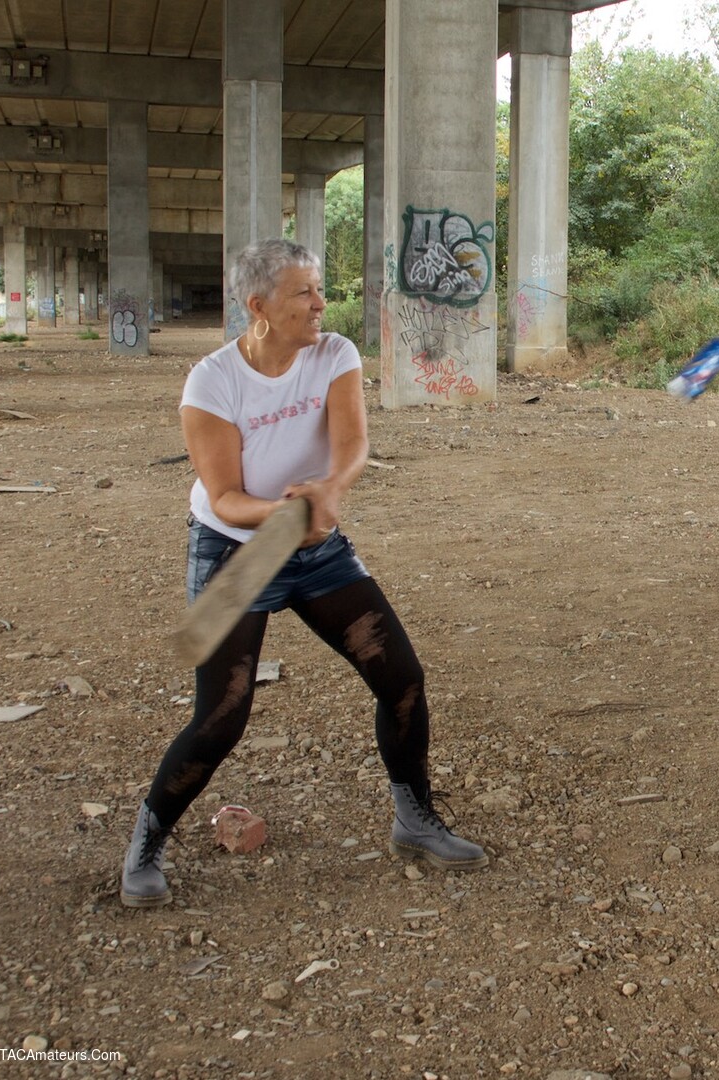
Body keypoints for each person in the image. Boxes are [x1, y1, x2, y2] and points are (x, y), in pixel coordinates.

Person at [120, 239, 487, 908]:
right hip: (237, 550)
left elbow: (352, 446)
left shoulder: (334, 354)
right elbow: (225, 497)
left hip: (317, 547)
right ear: (258, 306)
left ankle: (415, 820)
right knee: (221, 718)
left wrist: (329, 491)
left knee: (401, 679)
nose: (321, 303)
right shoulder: (212, 381)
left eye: (319, 289)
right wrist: (288, 512)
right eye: (304, 292)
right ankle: (147, 841)